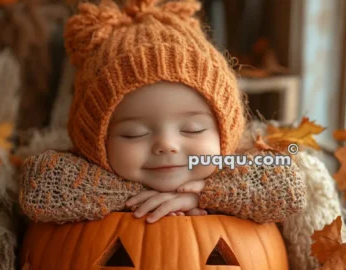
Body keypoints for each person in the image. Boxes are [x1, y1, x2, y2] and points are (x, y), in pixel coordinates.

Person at [19, 0, 306, 225]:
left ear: (225, 131)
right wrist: (129, 196)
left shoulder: (237, 164)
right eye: (135, 133)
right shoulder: (82, 172)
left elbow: (288, 186)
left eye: (192, 129)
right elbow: (38, 187)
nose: (166, 145)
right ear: (96, 142)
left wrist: (202, 195)